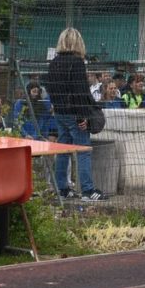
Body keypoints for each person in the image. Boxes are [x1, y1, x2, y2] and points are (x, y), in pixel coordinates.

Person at [46, 27, 107, 201]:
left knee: (63, 150)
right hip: (75, 113)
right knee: (83, 150)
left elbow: (51, 89)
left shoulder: (54, 62)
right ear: (78, 42)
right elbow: (80, 91)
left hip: (60, 113)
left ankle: (62, 189)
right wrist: (83, 117)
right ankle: (88, 190)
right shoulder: (77, 62)